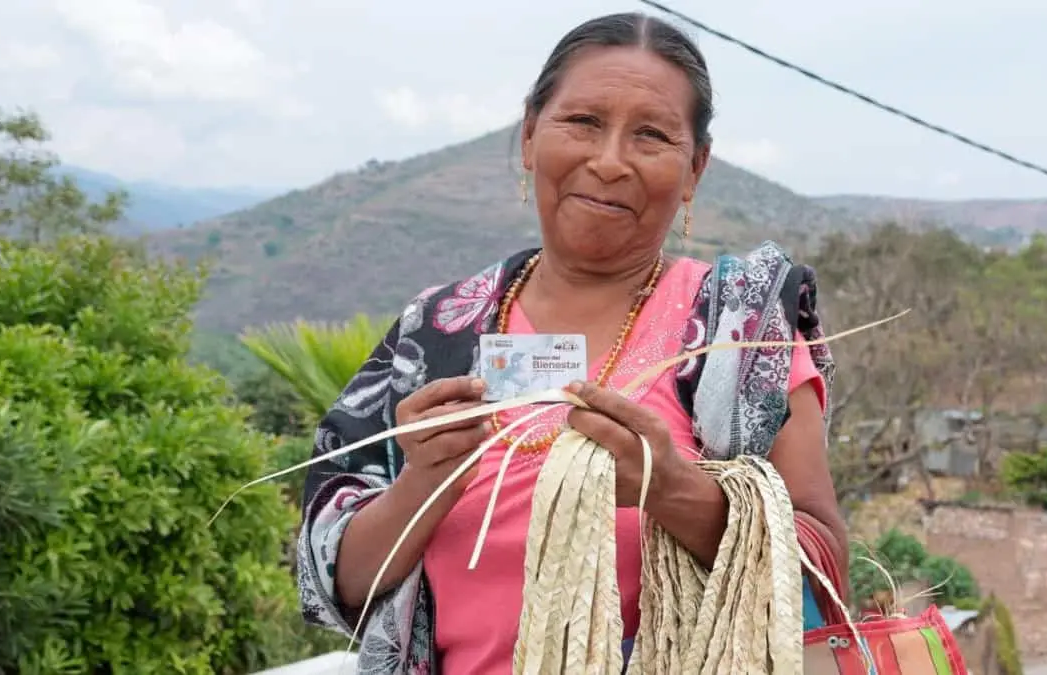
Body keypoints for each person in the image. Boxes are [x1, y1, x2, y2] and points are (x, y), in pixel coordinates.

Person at [297, 11, 848, 674]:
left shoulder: (743, 331)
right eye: (583, 122)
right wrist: (423, 480)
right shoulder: (438, 331)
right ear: (530, 135)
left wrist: (673, 489)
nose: (609, 161)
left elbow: (821, 579)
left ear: (694, 168)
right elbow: (344, 588)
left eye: (651, 135)